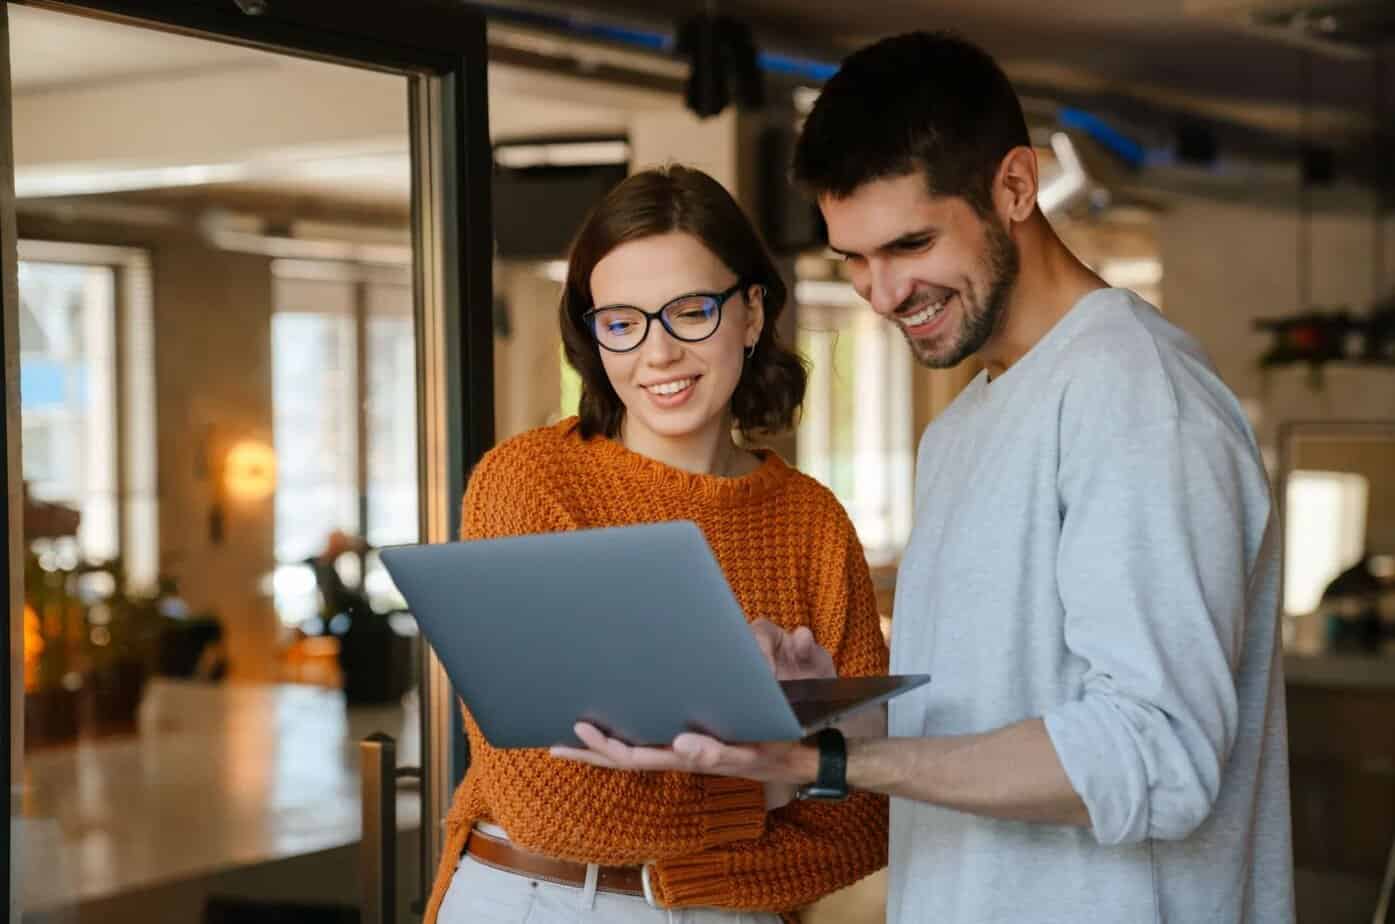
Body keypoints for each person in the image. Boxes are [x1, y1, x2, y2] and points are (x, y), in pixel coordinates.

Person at [554, 32, 1295, 924]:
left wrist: (829, 764)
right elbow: (972, 732)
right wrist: (818, 717)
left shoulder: (1137, 399)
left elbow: (1159, 757)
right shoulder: (961, 429)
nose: (881, 292)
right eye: (853, 258)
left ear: (1014, 187)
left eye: (909, 244)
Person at [424, 164, 890, 924]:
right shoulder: (532, 484)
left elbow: (863, 820)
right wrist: (782, 780)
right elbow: (545, 802)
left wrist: (785, 784)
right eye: (622, 323)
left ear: (750, 313)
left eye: (690, 312)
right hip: (542, 901)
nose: (658, 352)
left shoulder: (812, 521)